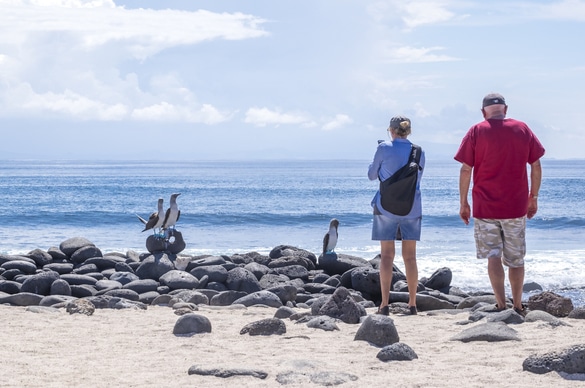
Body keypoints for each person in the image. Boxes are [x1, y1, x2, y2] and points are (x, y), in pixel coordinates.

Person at [454, 93, 545, 316]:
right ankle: (517, 306)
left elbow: (466, 169)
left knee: (493, 256)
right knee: (516, 259)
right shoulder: (522, 128)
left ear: (484, 111)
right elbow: (535, 164)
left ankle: (501, 305)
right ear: (505, 108)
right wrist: (534, 196)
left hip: (485, 207)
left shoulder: (476, 131)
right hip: (515, 206)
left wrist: (463, 202)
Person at [368, 115, 425, 316]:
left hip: (385, 208)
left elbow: (372, 175)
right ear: (408, 131)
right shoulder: (419, 151)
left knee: (386, 257)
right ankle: (412, 304)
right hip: (412, 208)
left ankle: (384, 305)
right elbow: (417, 180)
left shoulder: (383, 148)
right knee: (410, 257)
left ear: (391, 131)